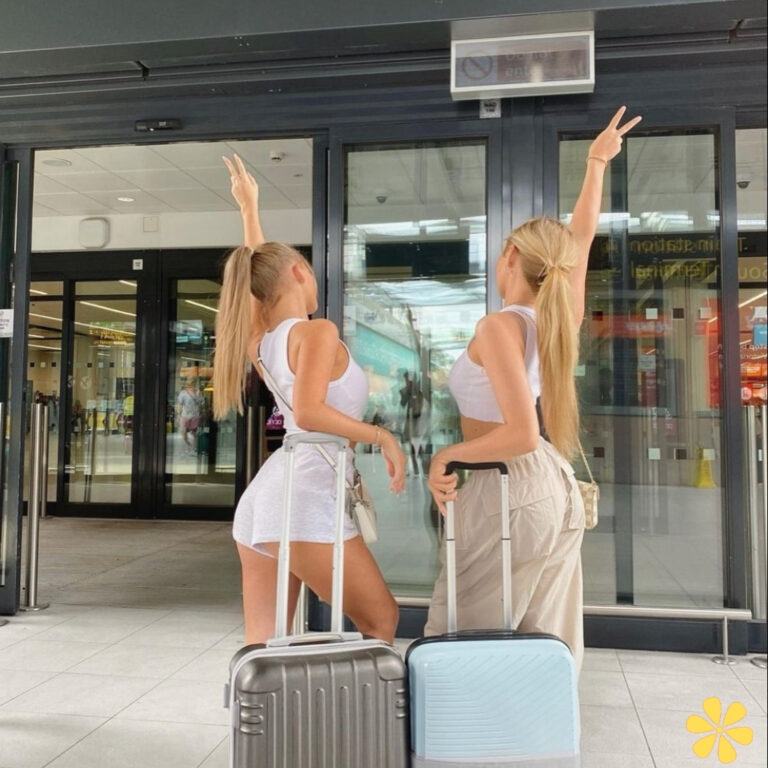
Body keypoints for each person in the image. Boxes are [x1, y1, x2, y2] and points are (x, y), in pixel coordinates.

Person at [425, 107, 642, 671]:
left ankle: (466, 749)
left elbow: (518, 434)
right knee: (542, 641)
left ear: (512, 257)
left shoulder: (499, 325)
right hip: (552, 487)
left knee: (460, 634)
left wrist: (446, 454)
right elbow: (584, 236)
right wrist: (596, 164)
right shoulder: (556, 320)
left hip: (506, 487)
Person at [214, 154, 407, 645]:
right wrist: (383, 436)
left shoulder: (262, 340)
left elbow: (257, 275)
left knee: (263, 643)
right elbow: (311, 412)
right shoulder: (318, 331)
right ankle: (361, 721)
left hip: (269, 496)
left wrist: (250, 211)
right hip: (306, 494)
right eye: (310, 271)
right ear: (300, 271)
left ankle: (256, 723)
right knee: (380, 621)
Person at [176, 378, 202, 454]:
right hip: (185, 415)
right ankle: (188, 444)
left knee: (194, 433)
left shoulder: (198, 392)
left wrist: (197, 394)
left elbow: (200, 403)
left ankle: (192, 448)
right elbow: (180, 404)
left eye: (193, 384)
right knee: (183, 432)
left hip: (195, 415)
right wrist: (178, 414)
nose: (191, 386)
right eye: (190, 384)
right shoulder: (183, 393)